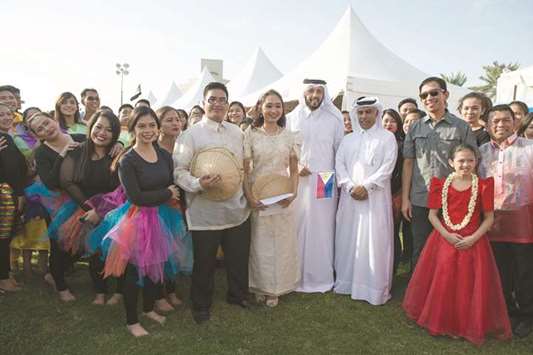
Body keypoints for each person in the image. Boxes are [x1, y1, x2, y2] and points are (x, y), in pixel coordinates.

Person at [403, 144, 511, 345]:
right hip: (444, 239)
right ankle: (443, 320)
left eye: (470, 160)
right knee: (444, 279)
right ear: (451, 163)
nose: (466, 164)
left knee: (469, 281)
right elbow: (432, 215)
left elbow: (488, 218)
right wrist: (447, 234)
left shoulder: (484, 185)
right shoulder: (440, 185)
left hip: (473, 240)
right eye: (461, 160)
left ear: (476, 162)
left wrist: (473, 238)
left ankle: (465, 323)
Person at [100, 106, 186, 337]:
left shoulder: (165, 156)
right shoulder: (127, 160)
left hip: (161, 217)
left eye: (151, 125)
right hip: (138, 220)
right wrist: (167, 194)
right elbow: (136, 196)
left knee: (155, 267)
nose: (147, 130)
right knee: (134, 272)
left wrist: (169, 194)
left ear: (158, 128)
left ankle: (148, 309)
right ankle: (131, 321)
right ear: (133, 129)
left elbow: (171, 184)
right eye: (141, 126)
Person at [174, 82, 251, 324]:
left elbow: (245, 167)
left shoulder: (238, 132)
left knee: (238, 257)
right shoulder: (190, 134)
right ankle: (201, 304)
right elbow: (178, 171)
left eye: (222, 99)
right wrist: (198, 183)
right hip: (204, 211)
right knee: (204, 262)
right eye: (212, 99)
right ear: (204, 102)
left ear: (228, 104)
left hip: (236, 209)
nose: (217, 103)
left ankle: (237, 295)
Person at [47, 110, 124, 305]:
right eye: (98, 127)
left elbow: (120, 188)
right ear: (91, 127)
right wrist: (88, 208)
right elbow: (67, 182)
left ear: (115, 134)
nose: (102, 133)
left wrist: (100, 211)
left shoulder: (116, 153)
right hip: (78, 206)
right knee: (61, 249)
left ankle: (102, 291)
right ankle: (60, 284)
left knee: (100, 251)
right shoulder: (76, 149)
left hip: (108, 209)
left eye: (108, 130)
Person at [402, 77, 477, 266]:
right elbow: (408, 163)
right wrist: (405, 199)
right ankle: (419, 293)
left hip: (453, 199)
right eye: (424, 95)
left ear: (446, 94)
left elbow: (471, 163)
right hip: (421, 198)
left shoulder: (461, 127)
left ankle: (446, 292)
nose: (429, 97)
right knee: (421, 248)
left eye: (434, 92)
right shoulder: (415, 127)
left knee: (450, 250)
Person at [334, 97, 397, 305]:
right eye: (360, 112)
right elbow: (339, 164)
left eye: (368, 112)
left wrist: (367, 187)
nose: (364, 116)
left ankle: (373, 289)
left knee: (374, 240)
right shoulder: (348, 139)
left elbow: (387, 167)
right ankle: (346, 282)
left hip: (375, 199)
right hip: (350, 197)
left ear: (376, 114)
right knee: (348, 238)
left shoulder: (387, 138)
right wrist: (351, 186)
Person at [479, 104, 533, 338]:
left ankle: (527, 316)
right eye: (495, 121)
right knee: (501, 272)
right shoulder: (480, 152)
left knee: (525, 273)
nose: (500, 125)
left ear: (516, 122)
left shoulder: (529, 149)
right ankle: (507, 314)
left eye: (505, 120)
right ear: (488, 126)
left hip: (524, 223)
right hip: (493, 224)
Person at [243, 89, 300, 307]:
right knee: (259, 243)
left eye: (278, 106)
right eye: (269, 105)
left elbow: (294, 169)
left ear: (283, 109)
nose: (274, 110)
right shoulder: (250, 134)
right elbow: (245, 171)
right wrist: (249, 197)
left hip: (282, 195)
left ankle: (276, 288)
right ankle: (259, 285)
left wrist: (293, 193)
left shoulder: (289, 136)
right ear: (260, 108)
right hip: (258, 197)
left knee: (281, 243)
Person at [287, 79, 344, 293]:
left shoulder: (335, 118)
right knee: (297, 224)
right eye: (311, 90)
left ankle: (319, 277)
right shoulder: (291, 118)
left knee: (322, 227)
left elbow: (340, 151)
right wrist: (296, 165)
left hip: (325, 179)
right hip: (297, 178)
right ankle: (293, 276)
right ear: (304, 92)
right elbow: (285, 149)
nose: (315, 95)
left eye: (319, 91)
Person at [29, 112, 85, 301]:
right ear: (38, 135)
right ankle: (60, 286)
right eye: (40, 129)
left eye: (47, 123)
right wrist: (62, 155)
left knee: (83, 245)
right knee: (60, 246)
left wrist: (117, 144)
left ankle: (54, 273)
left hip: (83, 198)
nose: (47, 128)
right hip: (57, 203)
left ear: (54, 120)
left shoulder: (79, 138)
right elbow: (51, 182)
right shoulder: (42, 152)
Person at [155, 105, 192, 308]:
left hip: (180, 204)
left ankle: (171, 289)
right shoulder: (153, 148)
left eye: (177, 119)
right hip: (158, 206)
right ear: (158, 125)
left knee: (175, 250)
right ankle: (159, 295)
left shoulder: (184, 146)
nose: (175, 123)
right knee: (159, 251)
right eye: (169, 120)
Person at [0, 113, 28, 292]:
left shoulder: (8, 137)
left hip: (9, 192)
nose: (6, 117)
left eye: (8, 114)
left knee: (6, 237)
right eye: (0, 115)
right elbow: (10, 170)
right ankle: (3, 279)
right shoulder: (4, 138)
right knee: (2, 238)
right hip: (4, 193)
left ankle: (5, 274)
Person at [382, 108, 408, 274]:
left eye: (392, 121)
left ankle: (392, 269)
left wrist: (397, 195)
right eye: (385, 121)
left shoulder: (402, 145)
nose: (388, 124)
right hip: (377, 194)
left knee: (392, 233)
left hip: (394, 194)